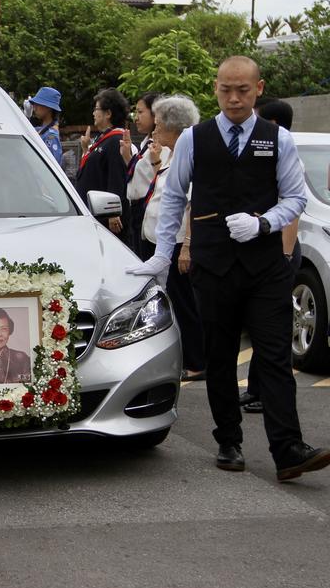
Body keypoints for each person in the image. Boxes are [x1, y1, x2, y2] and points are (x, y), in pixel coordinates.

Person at [129, 56, 330, 482]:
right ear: (216, 89)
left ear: (258, 88)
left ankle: (288, 449)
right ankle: (228, 439)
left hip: (265, 265)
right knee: (220, 355)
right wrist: (164, 255)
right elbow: (174, 198)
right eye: (226, 89)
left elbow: (294, 198)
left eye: (243, 89)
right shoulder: (194, 140)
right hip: (213, 262)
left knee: (274, 357)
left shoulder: (278, 139)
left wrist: (263, 223)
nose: (234, 98)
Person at [127, 95, 205, 382]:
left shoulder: (191, 154)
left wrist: (187, 245)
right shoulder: (167, 154)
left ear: (175, 127)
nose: (155, 131)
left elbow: (191, 204)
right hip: (161, 242)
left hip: (177, 244)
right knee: (172, 302)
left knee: (185, 304)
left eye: (159, 125)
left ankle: (197, 361)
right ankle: (184, 355)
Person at [240, 98, 300, 414]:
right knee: (258, 323)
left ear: (273, 125)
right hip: (265, 246)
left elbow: (292, 214)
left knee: (272, 327)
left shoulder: (286, 158)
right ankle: (254, 390)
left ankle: (265, 395)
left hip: (281, 249)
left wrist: (286, 256)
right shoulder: (264, 157)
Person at [75, 88, 130, 242]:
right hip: (95, 214)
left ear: (108, 113)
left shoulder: (115, 139)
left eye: (96, 109)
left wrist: (113, 211)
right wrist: (86, 149)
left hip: (106, 217)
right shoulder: (103, 137)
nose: (93, 113)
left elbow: (116, 175)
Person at [124, 92, 162, 259]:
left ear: (155, 114)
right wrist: (127, 156)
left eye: (140, 112)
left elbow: (160, 177)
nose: (136, 118)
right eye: (135, 113)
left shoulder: (162, 144)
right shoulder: (146, 142)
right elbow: (139, 175)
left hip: (151, 209)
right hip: (138, 210)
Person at [28, 87, 63, 166]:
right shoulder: (41, 130)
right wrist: (26, 117)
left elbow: (53, 167)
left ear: (48, 107)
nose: (34, 108)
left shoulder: (51, 137)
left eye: (38, 104)